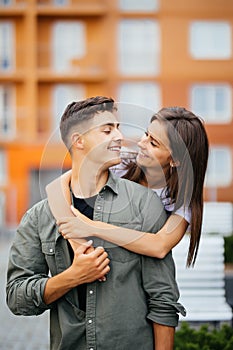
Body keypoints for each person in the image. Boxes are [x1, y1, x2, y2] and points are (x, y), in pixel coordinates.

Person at [6, 96, 185, 350]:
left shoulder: (145, 204)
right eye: (107, 130)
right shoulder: (39, 217)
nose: (119, 136)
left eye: (119, 128)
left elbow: (163, 300)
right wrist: (72, 277)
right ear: (78, 141)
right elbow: (16, 298)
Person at [57, 106, 209, 267]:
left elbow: (160, 246)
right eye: (146, 134)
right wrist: (82, 250)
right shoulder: (120, 163)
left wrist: (93, 227)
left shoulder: (180, 202)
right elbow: (58, 186)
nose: (141, 143)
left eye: (153, 143)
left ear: (175, 160)